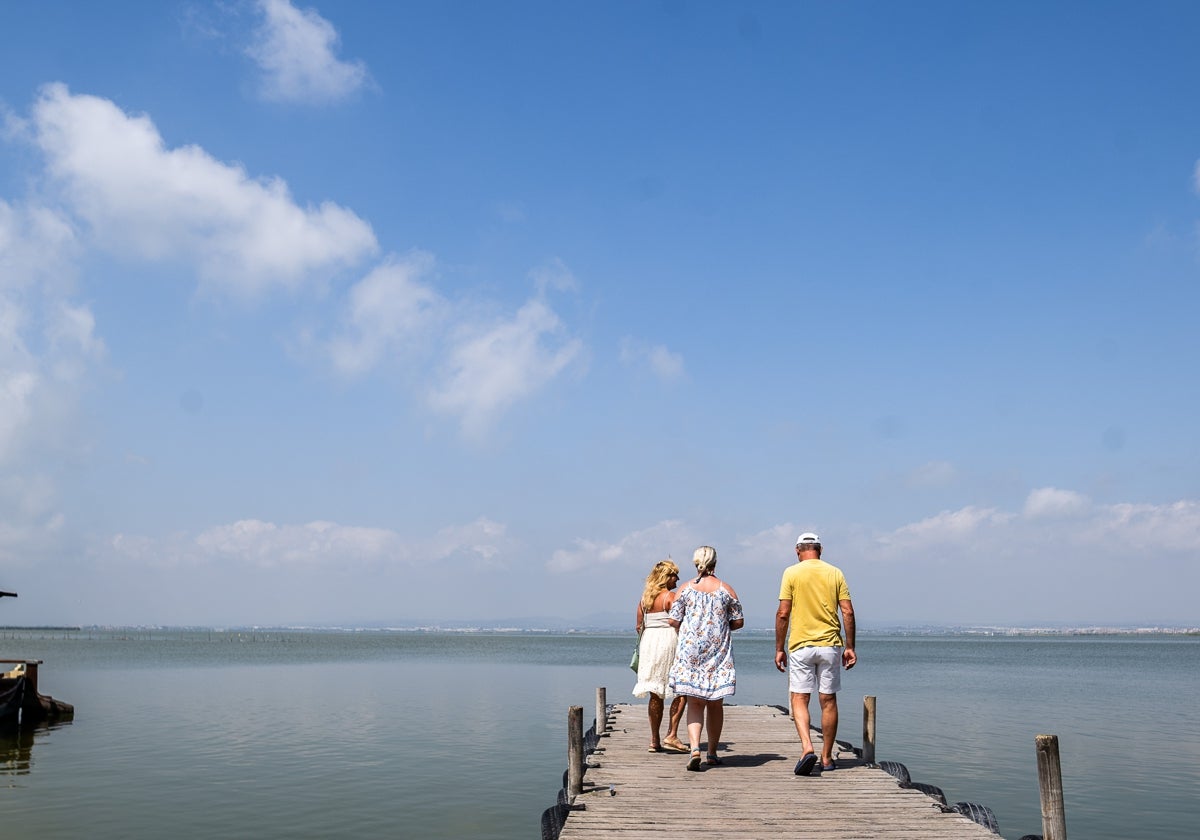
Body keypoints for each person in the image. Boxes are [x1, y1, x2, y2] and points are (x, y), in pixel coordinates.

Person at [774, 532, 856, 776]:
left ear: (798, 550)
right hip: (830, 645)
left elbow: (783, 613)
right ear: (821, 549)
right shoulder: (835, 572)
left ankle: (807, 747)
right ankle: (827, 757)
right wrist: (850, 646)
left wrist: (779, 648)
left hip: (801, 645)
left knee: (799, 698)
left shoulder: (791, 573)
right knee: (828, 700)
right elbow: (848, 612)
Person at [667, 546, 744, 771]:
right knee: (715, 703)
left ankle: (694, 749)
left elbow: (673, 620)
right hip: (718, 652)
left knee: (694, 702)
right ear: (715, 563)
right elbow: (739, 621)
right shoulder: (726, 590)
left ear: (696, 563)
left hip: (690, 652)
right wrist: (722, 625)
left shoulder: (685, 589)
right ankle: (711, 752)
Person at [632, 559, 688, 752]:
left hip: (649, 643)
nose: (678, 579)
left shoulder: (644, 599)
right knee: (681, 690)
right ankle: (671, 734)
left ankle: (654, 740)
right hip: (668, 641)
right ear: (666, 577)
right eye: (675, 575)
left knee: (655, 694)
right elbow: (681, 623)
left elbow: (639, 626)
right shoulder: (670, 597)